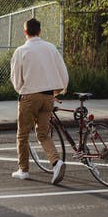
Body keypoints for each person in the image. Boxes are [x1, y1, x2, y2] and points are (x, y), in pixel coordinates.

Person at [10, 18, 69, 185]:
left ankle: (23, 170)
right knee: (43, 134)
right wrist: (58, 91)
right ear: (40, 31)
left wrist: (22, 89)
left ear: (25, 32)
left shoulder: (21, 51)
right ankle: (56, 162)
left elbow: (16, 80)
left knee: (22, 135)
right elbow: (62, 72)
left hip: (29, 97)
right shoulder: (51, 48)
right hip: (48, 96)